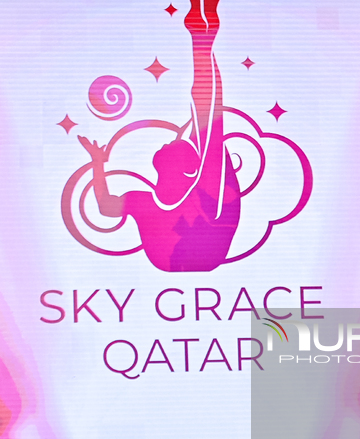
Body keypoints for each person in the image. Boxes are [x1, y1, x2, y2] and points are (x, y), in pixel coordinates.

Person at [77, 0, 240, 272]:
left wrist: (202, 42)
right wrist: (96, 162)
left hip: (199, 243)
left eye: (177, 145)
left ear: (188, 167)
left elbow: (209, 109)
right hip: (190, 249)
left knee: (210, 127)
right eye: (178, 143)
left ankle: (202, 36)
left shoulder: (196, 190)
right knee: (209, 130)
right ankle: (202, 35)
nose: (173, 140)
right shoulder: (146, 201)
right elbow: (106, 207)